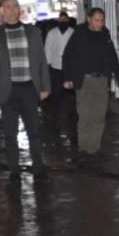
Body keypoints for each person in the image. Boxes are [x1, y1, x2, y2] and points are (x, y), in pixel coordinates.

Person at [0, 0, 52, 182]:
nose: (11, 10)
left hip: (29, 89)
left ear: (19, 10)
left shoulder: (33, 32)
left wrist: (45, 86)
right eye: (7, 7)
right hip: (7, 91)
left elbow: (41, 60)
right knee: (10, 134)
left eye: (14, 6)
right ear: (2, 11)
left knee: (34, 132)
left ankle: (39, 168)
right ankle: (14, 170)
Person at [61, 7, 119, 159]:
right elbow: (67, 56)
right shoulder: (79, 34)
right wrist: (67, 77)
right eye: (97, 20)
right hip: (84, 80)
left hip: (101, 80)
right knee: (85, 115)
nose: (100, 23)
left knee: (99, 116)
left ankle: (94, 149)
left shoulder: (105, 35)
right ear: (89, 19)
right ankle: (84, 149)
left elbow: (112, 57)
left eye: (102, 20)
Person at [43, 9, 75, 146]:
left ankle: (67, 118)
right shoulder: (52, 33)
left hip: (69, 69)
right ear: (58, 20)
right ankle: (55, 116)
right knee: (56, 94)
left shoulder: (72, 33)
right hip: (55, 68)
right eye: (61, 19)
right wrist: (47, 64)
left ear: (68, 20)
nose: (63, 21)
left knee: (68, 95)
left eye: (65, 19)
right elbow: (48, 49)